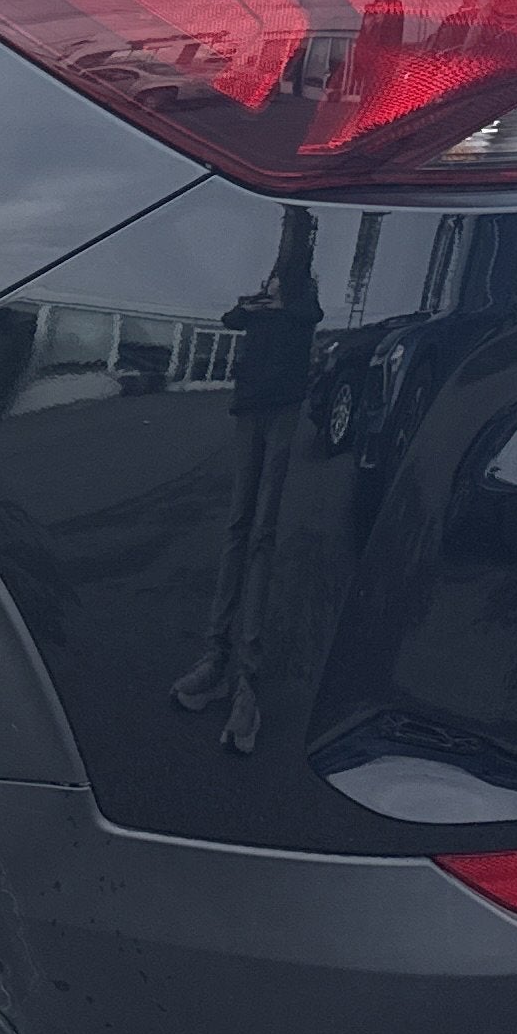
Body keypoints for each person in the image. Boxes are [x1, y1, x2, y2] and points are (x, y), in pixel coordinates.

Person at [171, 209, 323, 752]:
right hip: (250, 409)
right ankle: (216, 658)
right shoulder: (265, 302)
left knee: (262, 532)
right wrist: (257, 303)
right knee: (238, 527)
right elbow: (232, 316)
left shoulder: (303, 299)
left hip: (280, 411)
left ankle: (247, 681)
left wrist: (295, 224)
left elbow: (305, 310)